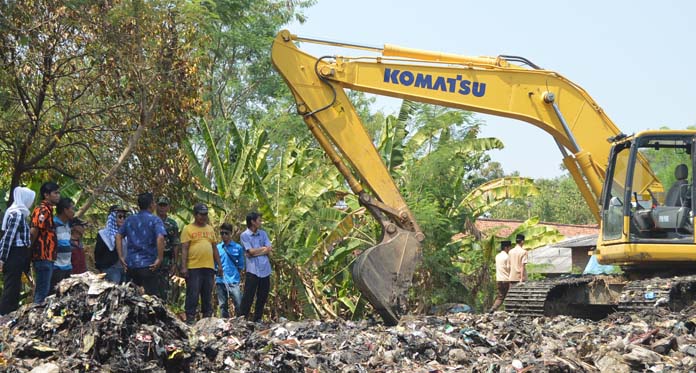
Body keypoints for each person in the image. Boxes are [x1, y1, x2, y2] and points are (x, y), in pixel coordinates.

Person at [180, 203, 222, 323]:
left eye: (205, 214)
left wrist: (219, 265)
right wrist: (184, 267)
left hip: (208, 267)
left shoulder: (209, 229)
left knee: (207, 295)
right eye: (201, 214)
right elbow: (184, 248)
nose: (203, 217)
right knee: (193, 294)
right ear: (195, 214)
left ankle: (207, 320)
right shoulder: (188, 229)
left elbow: (214, 248)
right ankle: (190, 319)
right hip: (194, 267)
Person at [116, 192, 165, 295]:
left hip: (131, 264)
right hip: (149, 264)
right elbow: (160, 237)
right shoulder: (155, 220)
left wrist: (121, 256)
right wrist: (159, 258)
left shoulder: (130, 219)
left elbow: (118, 236)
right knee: (150, 299)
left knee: (131, 297)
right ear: (151, 204)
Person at [0, 187, 36, 315]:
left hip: (18, 254)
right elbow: (8, 238)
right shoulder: (17, 214)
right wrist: (2, 259)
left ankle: (10, 315)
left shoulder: (19, 213)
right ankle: (4, 316)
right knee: (11, 287)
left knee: (15, 287)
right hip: (14, 254)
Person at [238, 212, 272, 322]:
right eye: (259, 220)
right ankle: (242, 318)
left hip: (265, 269)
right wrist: (262, 250)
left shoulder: (263, 234)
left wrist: (254, 252)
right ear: (252, 222)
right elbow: (250, 251)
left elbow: (268, 248)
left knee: (262, 296)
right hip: (252, 270)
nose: (260, 222)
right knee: (248, 295)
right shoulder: (244, 235)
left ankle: (257, 319)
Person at [30, 181, 60, 304]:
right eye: (55, 193)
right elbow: (34, 231)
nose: (58, 195)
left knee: (44, 291)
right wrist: (28, 250)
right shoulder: (42, 210)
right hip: (42, 256)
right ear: (46, 195)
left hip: (48, 257)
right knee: (41, 293)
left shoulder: (49, 210)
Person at [216, 223, 245, 318]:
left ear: (231, 234)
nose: (224, 235)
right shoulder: (217, 248)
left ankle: (240, 321)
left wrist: (235, 274)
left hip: (233, 280)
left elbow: (241, 265)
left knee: (239, 303)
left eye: (226, 233)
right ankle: (224, 324)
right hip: (221, 280)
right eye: (222, 233)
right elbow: (214, 264)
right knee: (222, 305)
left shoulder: (238, 248)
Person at [95, 206, 128, 283]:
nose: (122, 219)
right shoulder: (103, 234)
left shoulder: (126, 234)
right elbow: (98, 253)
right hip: (111, 269)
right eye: (120, 216)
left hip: (125, 269)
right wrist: (102, 268)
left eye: (124, 217)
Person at [156, 196, 180, 301]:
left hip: (167, 259)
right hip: (152, 258)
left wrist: (175, 263)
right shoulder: (152, 221)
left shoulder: (172, 224)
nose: (162, 208)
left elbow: (175, 244)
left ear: (168, 207)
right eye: (160, 205)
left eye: (164, 205)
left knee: (165, 287)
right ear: (156, 206)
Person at [50, 197, 75, 293]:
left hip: (67, 266)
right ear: (65, 210)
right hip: (56, 267)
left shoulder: (68, 225)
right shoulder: (54, 224)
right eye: (72, 208)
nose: (73, 212)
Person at [489, 240, 511, 313]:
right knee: (510, 296)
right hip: (506, 280)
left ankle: (493, 309)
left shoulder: (497, 256)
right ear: (506, 248)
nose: (509, 249)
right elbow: (509, 268)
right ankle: (509, 311)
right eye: (509, 248)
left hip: (499, 279)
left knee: (500, 297)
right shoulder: (507, 257)